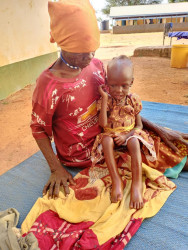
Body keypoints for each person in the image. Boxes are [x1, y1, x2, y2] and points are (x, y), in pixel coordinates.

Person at [31, 0, 188, 201]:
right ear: (64, 45)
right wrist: (56, 169)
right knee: (167, 158)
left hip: (116, 134)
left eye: (93, 50)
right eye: (82, 52)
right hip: (86, 154)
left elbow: (118, 105)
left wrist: (155, 128)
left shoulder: (95, 66)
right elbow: (38, 129)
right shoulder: (49, 84)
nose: (90, 57)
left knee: (172, 143)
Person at [91, 55, 156, 209]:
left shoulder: (133, 100)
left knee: (134, 141)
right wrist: (105, 98)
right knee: (106, 141)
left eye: (124, 86)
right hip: (110, 135)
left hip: (129, 135)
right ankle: (116, 180)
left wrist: (126, 135)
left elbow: (138, 126)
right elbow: (102, 125)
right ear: (107, 83)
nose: (119, 90)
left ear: (131, 82)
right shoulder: (104, 100)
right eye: (113, 85)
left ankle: (136, 184)